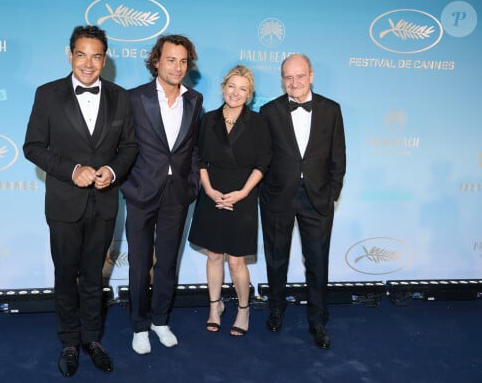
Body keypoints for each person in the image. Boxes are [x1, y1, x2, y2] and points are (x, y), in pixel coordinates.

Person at [23, 25, 138, 377]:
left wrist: (111, 170)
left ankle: (92, 338)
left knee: (93, 277)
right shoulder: (47, 94)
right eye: (81, 54)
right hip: (64, 203)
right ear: (70, 54)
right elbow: (33, 147)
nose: (88, 63)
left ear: (105, 59)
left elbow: (130, 146)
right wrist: (72, 170)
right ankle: (69, 341)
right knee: (65, 275)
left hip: (104, 203)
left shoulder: (121, 97)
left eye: (96, 56)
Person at [120, 34, 203, 355]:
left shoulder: (194, 100)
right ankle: (139, 325)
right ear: (156, 61)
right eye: (171, 59)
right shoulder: (134, 98)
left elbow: (193, 148)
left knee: (168, 262)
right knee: (140, 264)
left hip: (177, 194)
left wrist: (192, 183)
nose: (177, 67)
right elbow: (123, 146)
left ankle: (159, 320)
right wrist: (127, 184)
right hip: (141, 191)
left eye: (183, 61)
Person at [259, 53, 346, 349]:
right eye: (288, 77)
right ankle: (276, 309)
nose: (294, 83)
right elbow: (262, 158)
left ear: (311, 76)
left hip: (317, 199)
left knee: (318, 262)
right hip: (277, 198)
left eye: (299, 76)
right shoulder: (268, 111)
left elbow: (338, 158)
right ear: (282, 79)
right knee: (276, 258)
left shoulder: (332, 110)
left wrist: (331, 194)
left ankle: (318, 320)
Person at [188, 65, 271, 337]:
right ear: (223, 88)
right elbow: (198, 157)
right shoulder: (207, 119)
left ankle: (244, 309)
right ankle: (215, 307)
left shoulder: (258, 122)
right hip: (211, 191)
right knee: (213, 254)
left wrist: (243, 192)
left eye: (242, 89)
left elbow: (262, 162)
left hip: (243, 195)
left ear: (250, 95)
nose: (236, 93)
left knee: (236, 261)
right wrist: (209, 190)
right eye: (231, 87)